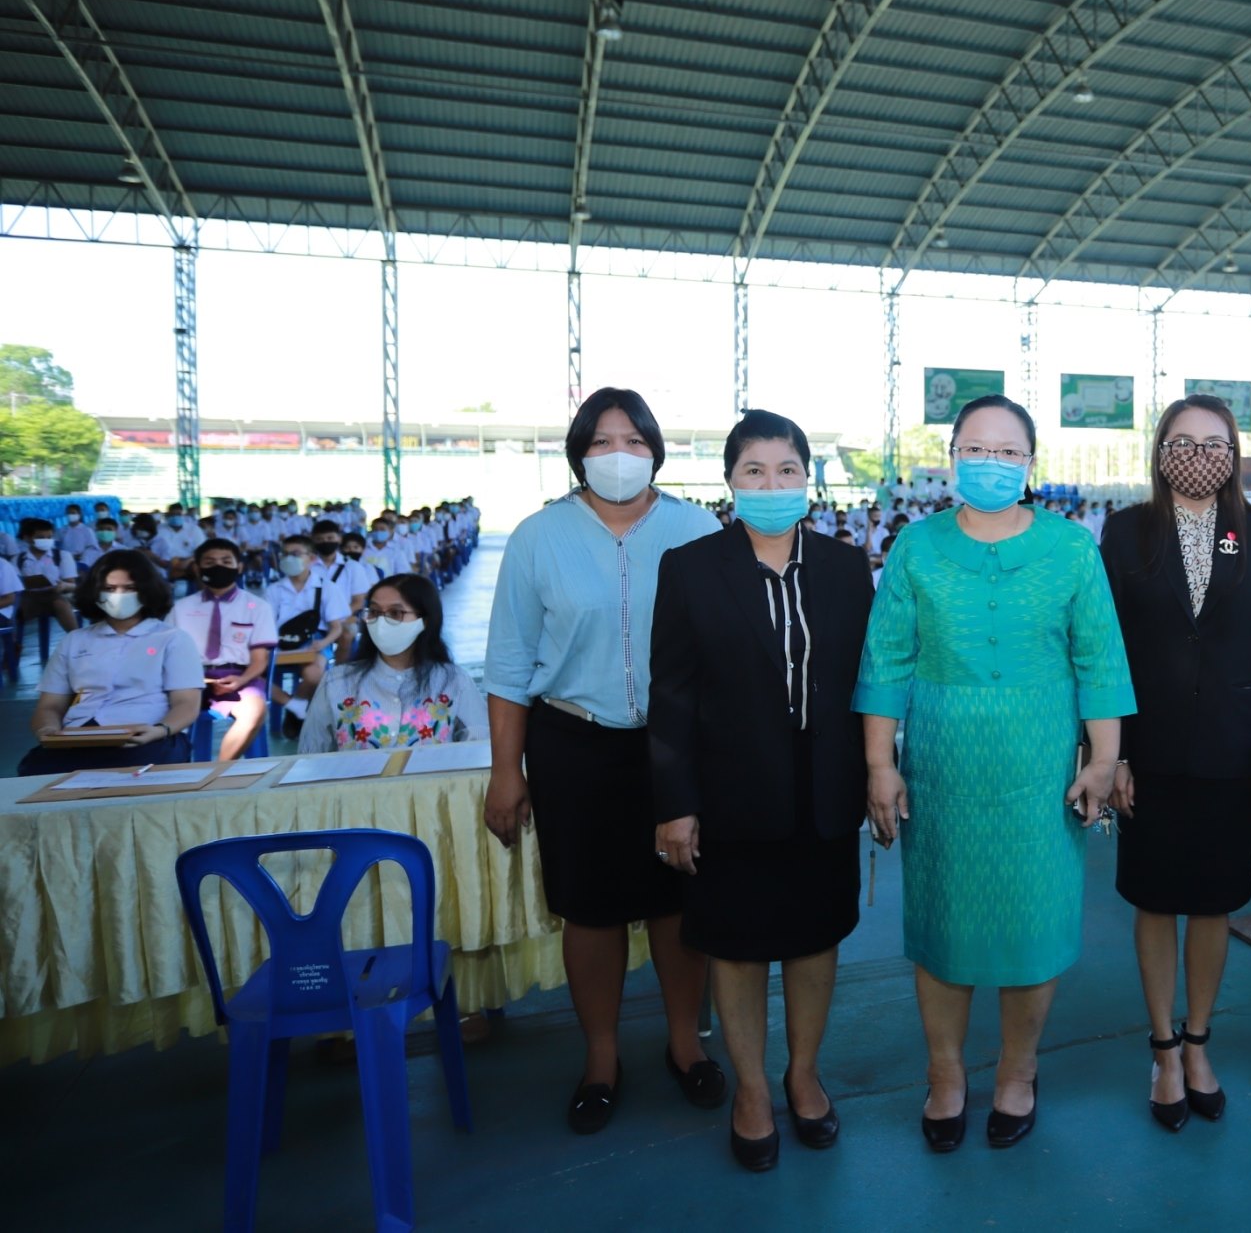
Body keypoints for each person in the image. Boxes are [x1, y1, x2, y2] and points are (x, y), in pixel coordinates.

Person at [855, 394, 1134, 1153]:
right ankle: (945, 1073)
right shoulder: (916, 547)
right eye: (976, 449)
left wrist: (1102, 759)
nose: (991, 463)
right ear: (951, 457)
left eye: (1008, 452)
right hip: (942, 766)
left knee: (1032, 927)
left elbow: (1100, 659)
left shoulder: (1072, 548)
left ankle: (1018, 1069)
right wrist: (880, 764)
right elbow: (886, 660)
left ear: (1031, 464)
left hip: (1040, 770)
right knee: (942, 929)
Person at [483, 387, 727, 1135]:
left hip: (676, 744)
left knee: (677, 900)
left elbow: (724, 647)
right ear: (578, 453)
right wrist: (506, 771)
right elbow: (509, 662)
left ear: (656, 449)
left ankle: (685, 1043)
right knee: (589, 908)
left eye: (633, 439)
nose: (618, 453)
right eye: (601, 441)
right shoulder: (538, 537)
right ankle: (600, 1056)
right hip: (575, 743)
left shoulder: (697, 528)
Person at [648, 411, 875, 1173]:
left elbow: (867, 679)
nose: (772, 484)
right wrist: (675, 803)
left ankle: (802, 1073)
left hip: (824, 791)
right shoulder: (691, 568)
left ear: (808, 480)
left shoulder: (844, 567)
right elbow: (672, 695)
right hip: (730, 797)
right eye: (754, 470)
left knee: (814, 939)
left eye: (787, 470)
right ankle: (750, 1088)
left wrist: (877, 770)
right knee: (738, 947)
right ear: (730, 481)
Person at [1099, 395, 1251, 1131]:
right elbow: (1105, 648)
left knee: (1214, 901)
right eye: (1182, 442)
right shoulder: (1126, 530)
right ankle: (1162, 1050)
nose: (1198, 454)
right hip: (1146, 751)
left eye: (1214, 443)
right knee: (1154, 900)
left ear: (1233, 454)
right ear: (1160, 452)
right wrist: (1111, 752)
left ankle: (1198, 1042)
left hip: (1231, 748)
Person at [19, 551, 203, 776]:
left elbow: (186, 703)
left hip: (146, 735)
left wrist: (160, 730)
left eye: (129, 588)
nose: (119, 596)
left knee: (131, 771)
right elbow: (50, 705)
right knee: (34, 769)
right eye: (109, 588)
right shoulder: (75, 640)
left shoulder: (172, 639)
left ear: (147, 591)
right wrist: (47, 729)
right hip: (80, 736)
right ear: (95, 592)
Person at [297, 574, 487, 753]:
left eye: (395, 613)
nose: (381, 622)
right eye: (374, 612)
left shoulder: (453, 681)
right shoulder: (337, 682)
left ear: (425, 621)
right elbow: (310, 753)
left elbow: (480, 748)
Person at [168, 538, 275, 760]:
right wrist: (190, 680)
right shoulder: (181, 607)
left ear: (239, 567)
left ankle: (219, 770)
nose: (218, 567)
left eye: (226, 561)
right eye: (210, 562)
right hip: (191, 679)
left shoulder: (257, 607)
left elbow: (259, 659)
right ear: (197, 569)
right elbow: (168, 655)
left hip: (240, 676)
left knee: (254, 710)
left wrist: (241, 680)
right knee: (157, 710)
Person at [265, 532, 354, 737]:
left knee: (314, 675)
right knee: (253, 675)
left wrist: (322, 643)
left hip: (315, 642)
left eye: (296, 554)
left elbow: (336, 628)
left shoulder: (326, 587)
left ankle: (295, 710)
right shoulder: (274, 590)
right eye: (285, 554)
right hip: (279, 643)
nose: (289, 558)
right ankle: (293, 705)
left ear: (312, 558)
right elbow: (267, 625)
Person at [15, 518, 81, 636]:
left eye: (49, 537)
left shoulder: (62, 556)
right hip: (29, 597)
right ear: (27, 538)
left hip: (57, 594)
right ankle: (14, 642)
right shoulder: (18, 559)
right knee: (11, 606)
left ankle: (76, 637)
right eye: (40, 537)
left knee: (59, 602)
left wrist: (63, 586)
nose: (46, 540)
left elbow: (72, 584)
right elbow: (14, 584)